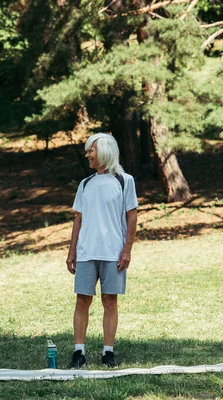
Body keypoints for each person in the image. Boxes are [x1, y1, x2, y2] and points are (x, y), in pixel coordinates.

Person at [65, 133, 138, 369]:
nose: (87, 155)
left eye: (91, 150)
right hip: (87, 252)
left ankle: (108, 352)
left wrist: (127, 250)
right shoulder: (85, 184)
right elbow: (78, 219)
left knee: (110, 301)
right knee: (82, 301)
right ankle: (79, 353)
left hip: (113, 252)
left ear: (104, 151)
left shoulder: (125, 181)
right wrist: (72, 251)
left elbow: (132, 216)